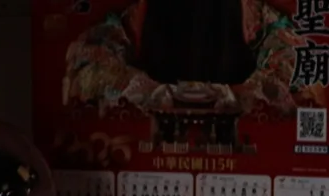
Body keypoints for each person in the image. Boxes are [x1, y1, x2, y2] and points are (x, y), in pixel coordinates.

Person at [65, 0, 326, 116]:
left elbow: (294, 63)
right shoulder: (138, 15)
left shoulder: (251, 13)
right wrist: (151, 94)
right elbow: (88, 64)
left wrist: (236, 96)